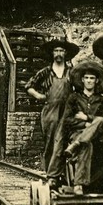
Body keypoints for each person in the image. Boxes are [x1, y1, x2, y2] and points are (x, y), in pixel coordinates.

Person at [25, 36, 80, 189]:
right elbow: (29, 86)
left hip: (68, 111)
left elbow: (80, 89)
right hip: (50, 112)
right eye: (56, 50)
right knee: (50, 143)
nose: (58, 53)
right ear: (52, 53)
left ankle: (63, 175)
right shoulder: (45, 72)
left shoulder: (72, 72)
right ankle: (51, 176)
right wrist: (39, 96)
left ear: (66, 53)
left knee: (66, 142)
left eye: (61, 50)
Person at [61, 61, 103, 195]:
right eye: (87, 78)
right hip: (77, 132)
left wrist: (87, 118)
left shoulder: (101, 100)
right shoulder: (74, 98)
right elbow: (67, 120)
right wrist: (85, 125)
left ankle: (76, 144)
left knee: (100, 120)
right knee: (86, 145)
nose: (89, 81)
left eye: (92, 78)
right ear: (82, 80)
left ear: (97, 81)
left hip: (99, 134)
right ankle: (79, 185)